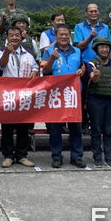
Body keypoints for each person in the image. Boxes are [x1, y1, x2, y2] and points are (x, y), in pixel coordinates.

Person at [41, 24, 86, 169]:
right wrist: (52, 60)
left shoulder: (77, 51)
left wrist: (82, 71)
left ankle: (77, 156)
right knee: (55, 128)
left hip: (73, 94)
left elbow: (82, 66)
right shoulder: (49, 51)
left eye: (66, 34)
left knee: (75, 127)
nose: (64, 37)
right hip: (56, 95)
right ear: (56, 36)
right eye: (61, 34)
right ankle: (56, 156)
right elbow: (45, 72)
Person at [0, 26, 39, 168]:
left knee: (23, 127)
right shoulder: (1, 52)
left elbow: (35, 67)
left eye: (17, 35)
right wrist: (7, 53)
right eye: (11, 35)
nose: (14, 37)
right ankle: (8, 155)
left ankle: (21, 155)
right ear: (7, 37)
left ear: (22, 37)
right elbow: (1, 66)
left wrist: (34, 71)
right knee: (7, 127)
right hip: (8, 95)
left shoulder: (28, 54)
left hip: (24, 97)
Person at [74, 3, 111, 133]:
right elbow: (79, 47)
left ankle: (98, 124)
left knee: (100, 94)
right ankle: (84, 123)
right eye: (91, 11)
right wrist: (91, 36)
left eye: (96, 10)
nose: (93, 13)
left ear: (99, 12)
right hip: (85, 65)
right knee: (84, 96)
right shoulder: (79, 27)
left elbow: (109, 46)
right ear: (86, 13)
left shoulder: (105, 27)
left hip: (102, 65)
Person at [87, 37, 111, 168]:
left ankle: (109, 157)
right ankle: (97, 157)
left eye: (106, 47)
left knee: (108, 130)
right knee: (96, 130)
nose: (104, 49)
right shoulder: (92, 63)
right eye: (101, 47)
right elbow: (93, 79)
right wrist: (95, 75)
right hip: (96, 100)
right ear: (96, 49)